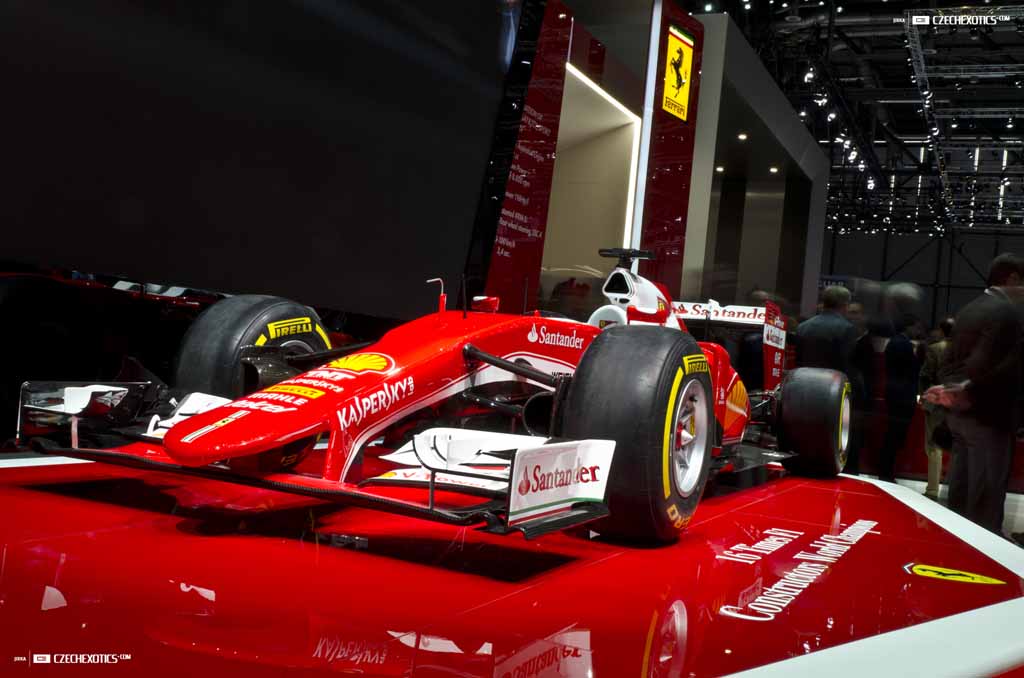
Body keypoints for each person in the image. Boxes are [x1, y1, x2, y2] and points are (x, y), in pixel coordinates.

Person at [926, 253, 1024, 535]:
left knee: (961, 484)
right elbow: (1004, 366)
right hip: (988, 412)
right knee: (986, 495)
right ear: (1012, 278)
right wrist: (967, 390)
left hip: (960, 413)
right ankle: (983, 550)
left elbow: (950, 360)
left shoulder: (970, 308)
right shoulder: (1006, 313)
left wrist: (950, 392)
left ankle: (957, 543)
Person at [795, 286, 861, 473]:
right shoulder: (847, 329)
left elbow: (799, 361)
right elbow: (848, 365)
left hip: (805, 389)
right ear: (845, 304)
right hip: (834, 391)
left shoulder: (803, 327)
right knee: (834, 435)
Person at [878, 314, 923, 482]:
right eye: (916, 327)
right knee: (895, 435)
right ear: (908, 326)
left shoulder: (895, 342)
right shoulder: (903, 344)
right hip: (902, 395)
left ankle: (886, 471)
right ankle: (886, 472)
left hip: (895, 392)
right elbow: (911, 370)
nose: (918, 330)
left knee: (893, 434)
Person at [918, 317, 954, 500]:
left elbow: (925, 375)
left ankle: (933, 490)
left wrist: (924, 395)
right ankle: (955, 490)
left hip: (937, 401)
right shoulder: (965, 350)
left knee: (933, 446)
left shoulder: (935, 349)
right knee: (957, 447)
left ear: (941, 330)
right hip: (957, 402)